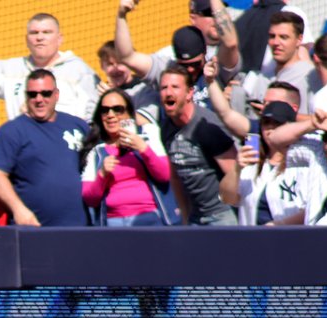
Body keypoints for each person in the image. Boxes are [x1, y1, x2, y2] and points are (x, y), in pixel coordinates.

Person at [0, 0, 98, 120]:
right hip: (23, 150)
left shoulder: (79, 71)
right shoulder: (12, 70)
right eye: (34, 33)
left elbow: (93, 114)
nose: (40, 37)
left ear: (60, 39)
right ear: (26, 40)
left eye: (46, 32)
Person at [0, 70, 90, 226]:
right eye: (32, 94)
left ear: (56, 95)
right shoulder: (12, 131)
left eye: (46, 93)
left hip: (80, 229)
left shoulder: (78, 125)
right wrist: (18, 209)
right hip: (33, 230)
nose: (39, 99)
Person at [115, 0, 243, 115]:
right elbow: (127, 57)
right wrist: (121, 15)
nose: (191, 70)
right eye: (184, 66)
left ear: (204, 55)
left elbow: (230, 44)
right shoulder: (169, 70)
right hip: (179, 139)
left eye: (195, 64)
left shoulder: (215, 67)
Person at [159, 63, 240, 224]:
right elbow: (175, 176)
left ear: (190, 93)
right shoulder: (166, 128)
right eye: (163, 88)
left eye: (175, 87)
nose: (168, 92)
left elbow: (235, 175)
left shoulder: (207, 127)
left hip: (223, 214)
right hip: (195, 217)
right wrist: (184, 215)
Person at [79, 88, 172, 226]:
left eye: (117, 109)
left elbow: (164, 175)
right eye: (105, 110)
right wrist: (102, 175)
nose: (111, 115)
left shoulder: (148, 134)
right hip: (113, 222)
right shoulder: (96, 150)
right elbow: (89, 199)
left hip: (148, 217)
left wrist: (143, 149)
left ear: (129, 113)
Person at [236, 100, 327, 225]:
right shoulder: (253, 159)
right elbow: (228, 198)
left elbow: (312, 209)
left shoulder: (307, 159)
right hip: (253, 238)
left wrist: (279, 225)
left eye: (277, 123)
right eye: (266, 122)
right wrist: (236, 169)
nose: (270, 128)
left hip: (291, 237)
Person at [242, 10, 320, 113]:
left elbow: (317, 121)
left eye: (284, 37)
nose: (276, 42)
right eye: (272, 36)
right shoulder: (262, 77)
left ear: (299, 40)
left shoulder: (311, 76)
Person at [97, 40, 161, 124]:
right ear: (102, 66)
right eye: (110, 64)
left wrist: (114, 97)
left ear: (131, 63)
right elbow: (90, 124)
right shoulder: (99, 93)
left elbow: (145, 121)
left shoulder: (145, 89)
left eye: (120, 63)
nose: (116, 69)